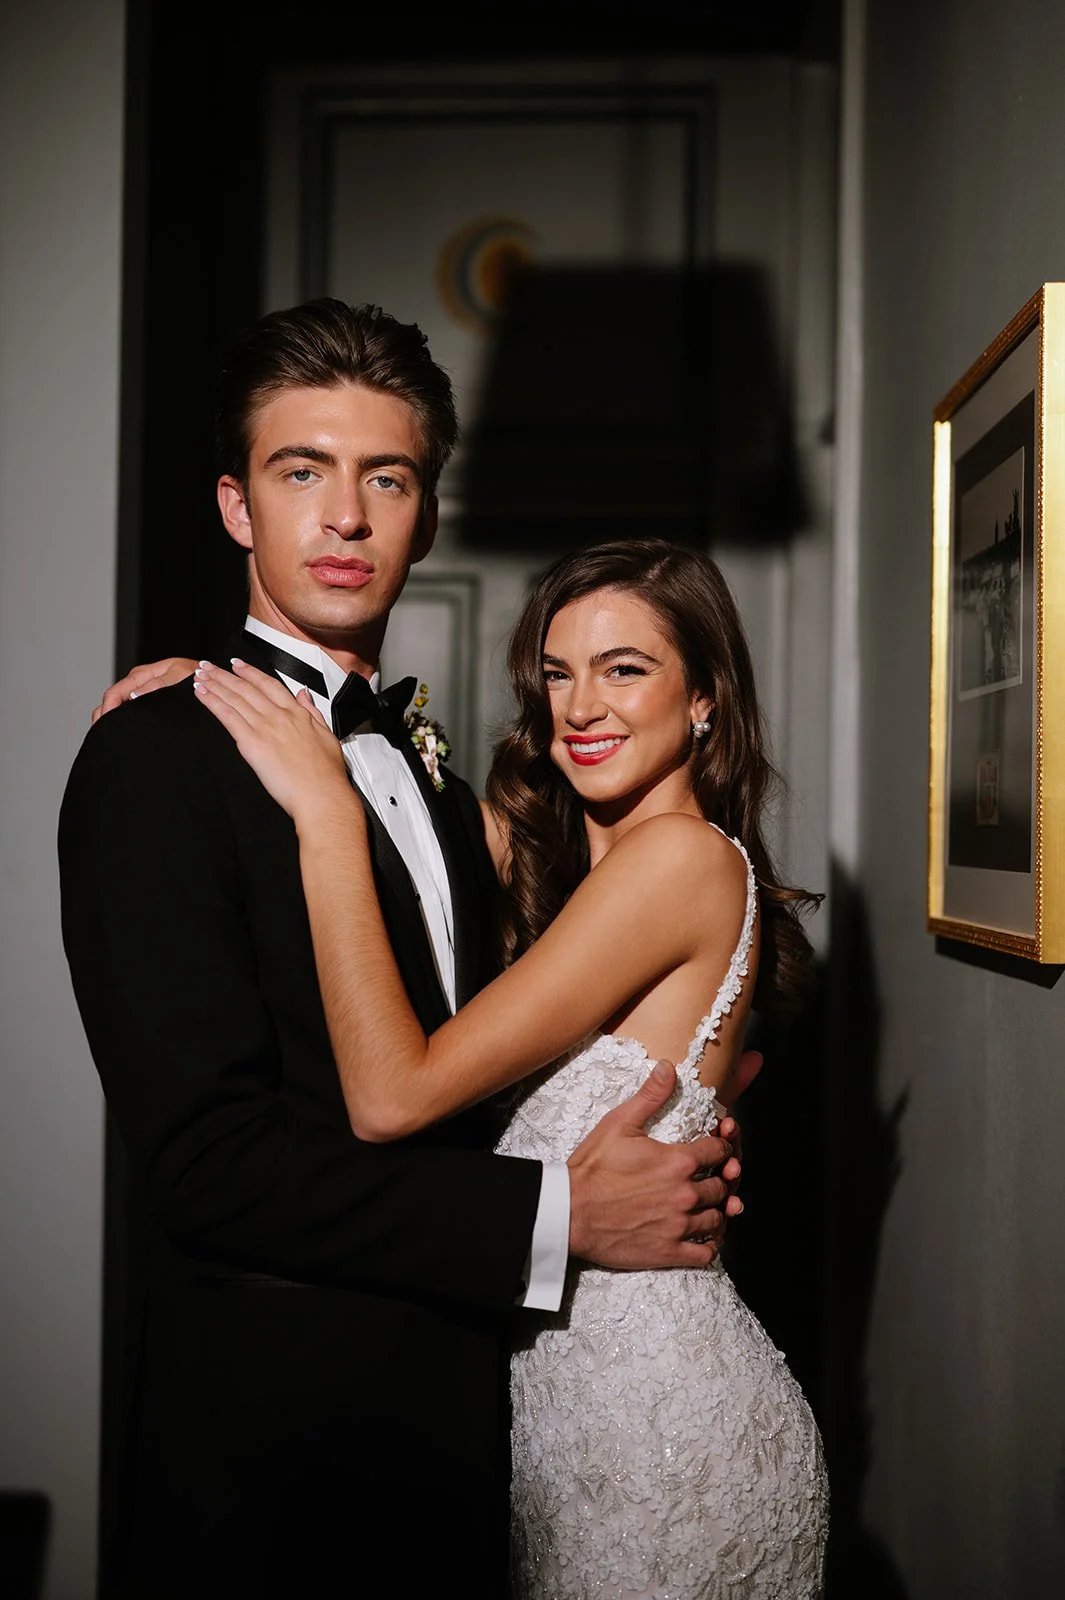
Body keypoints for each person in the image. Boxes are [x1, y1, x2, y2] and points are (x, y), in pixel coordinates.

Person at [60, 299, 746, 1600]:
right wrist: (559, 1214)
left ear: (426, 514)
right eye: (299, 472)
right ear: (234, 506)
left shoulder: (435, 781)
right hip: (269, 1475)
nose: (347, 516)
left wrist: (695, 1118)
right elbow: (207, 1167)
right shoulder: (155, 760)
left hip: (486, 1440)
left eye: (388, 477)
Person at [185, 536, 830, 1599]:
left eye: (626, 668)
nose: (583, 705)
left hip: (658, 1441)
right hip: (560, 1427)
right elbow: (406, 798)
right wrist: (201, 688)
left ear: (707, 697)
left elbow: (394, 1097)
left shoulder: (680, 860)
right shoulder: (564, 867)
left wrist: (327, 821)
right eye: (559, 673)